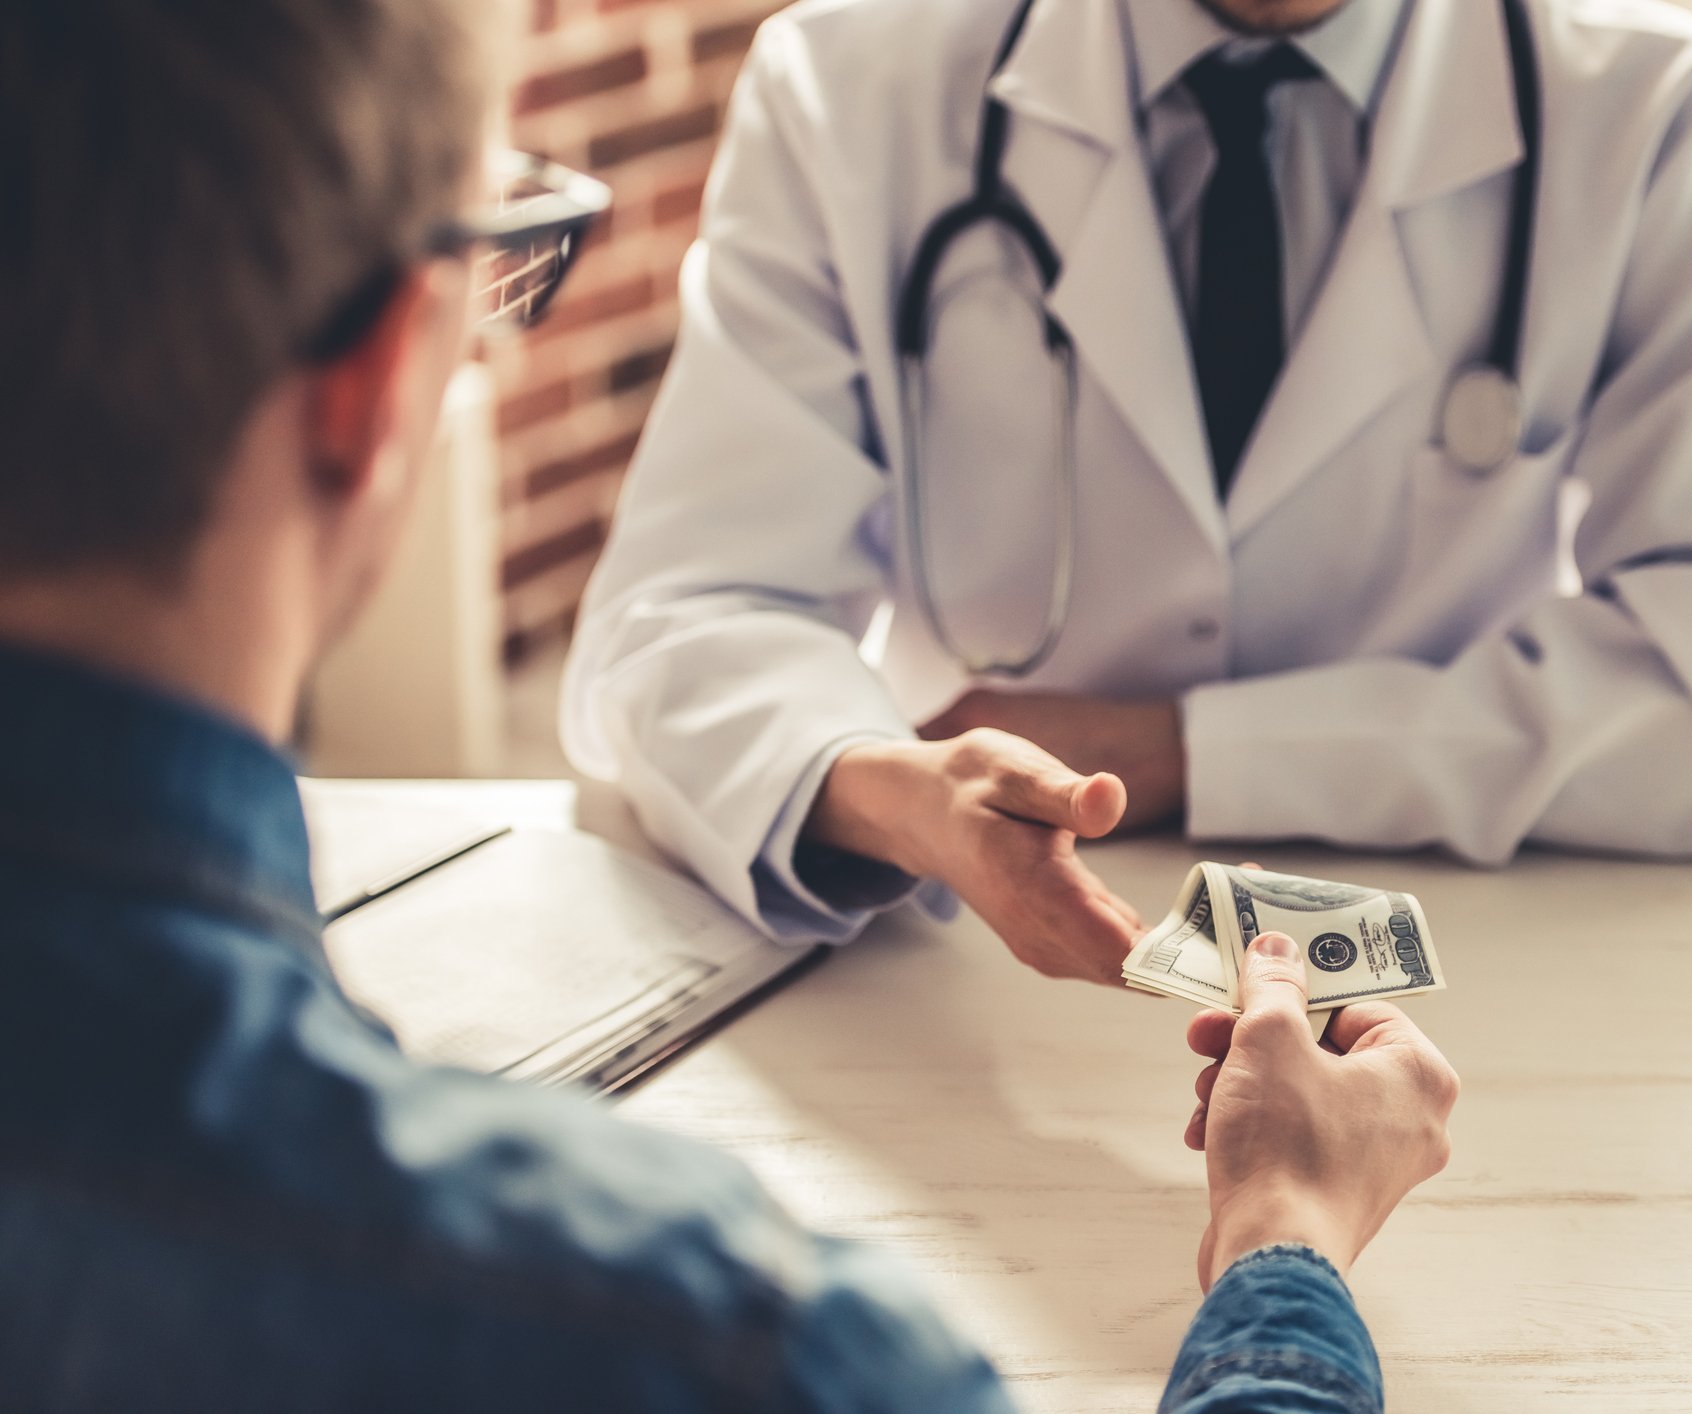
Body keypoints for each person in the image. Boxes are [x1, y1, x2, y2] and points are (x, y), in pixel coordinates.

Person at [0, 1, 1461, 1408]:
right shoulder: (715, 1348)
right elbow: (674, 614)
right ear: (381, 381)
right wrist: (1285, 1236)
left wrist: (896, 787)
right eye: (505, 253)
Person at [561, 0, 1692, 985]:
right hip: (967, 970)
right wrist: (887, 788)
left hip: (1482, 966)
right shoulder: (852, 84)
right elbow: (680, 615)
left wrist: (1185, 748)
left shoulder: (1654, 112)